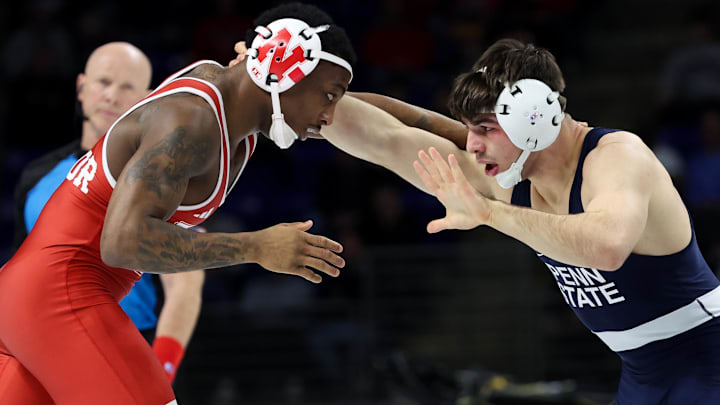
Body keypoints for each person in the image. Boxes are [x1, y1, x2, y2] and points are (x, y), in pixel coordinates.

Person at [314, 39, 720, 404]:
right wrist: (293, 94)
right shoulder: (511, 176)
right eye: (471, 129)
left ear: (533, 118)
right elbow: (388, 138)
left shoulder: (617, 156)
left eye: (485, 129)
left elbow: (607, 246)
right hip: (643, 375)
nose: (472, 145)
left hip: (708, 361)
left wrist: (488, 213)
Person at [0, 3, 353, 404]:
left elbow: (371, 117)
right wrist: (257, 247)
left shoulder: (234, 104)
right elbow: (122, 242)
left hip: (30, 300)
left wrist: (440, 130)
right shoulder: (190, 120)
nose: (330, 115)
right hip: (60, 294)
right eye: (328, 97)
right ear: (285, 71)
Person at [12, 41, 204, 384]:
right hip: (44, 356)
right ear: (81, 87)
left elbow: (186, 283)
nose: (112, 96)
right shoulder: (35, 178)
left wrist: (161, 368)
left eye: (127, 87)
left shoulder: (161, 180)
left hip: (126, 354)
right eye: (103, 82)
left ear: (146, 99)